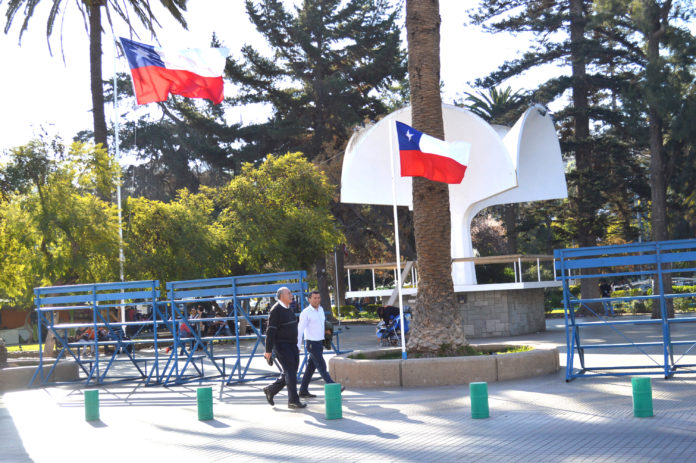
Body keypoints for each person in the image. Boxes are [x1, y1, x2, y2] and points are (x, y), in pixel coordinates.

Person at [263, 287, 306, 409]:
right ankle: (293, 400)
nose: (291, 295)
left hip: (292, 345)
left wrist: (297, 345)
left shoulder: (289, 308)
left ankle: (271, 390)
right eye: (289, 293)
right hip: (281, 345)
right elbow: (270, 331)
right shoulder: (276, 310)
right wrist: (268, 350)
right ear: (281, 296)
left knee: (291, 371)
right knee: (290, 372)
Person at [297, 290, 342, 399]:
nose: (317, 300)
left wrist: (326, 333)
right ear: (309, 299)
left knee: (310, 368)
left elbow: (322, 324)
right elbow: (299, 330)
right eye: (315, 298)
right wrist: (298, 346)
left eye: (318, 298)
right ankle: (333, 385)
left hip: (319, 342)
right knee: (321, 365)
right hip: (311, 343)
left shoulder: (321, 310)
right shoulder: (306, 312)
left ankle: (303, 391)